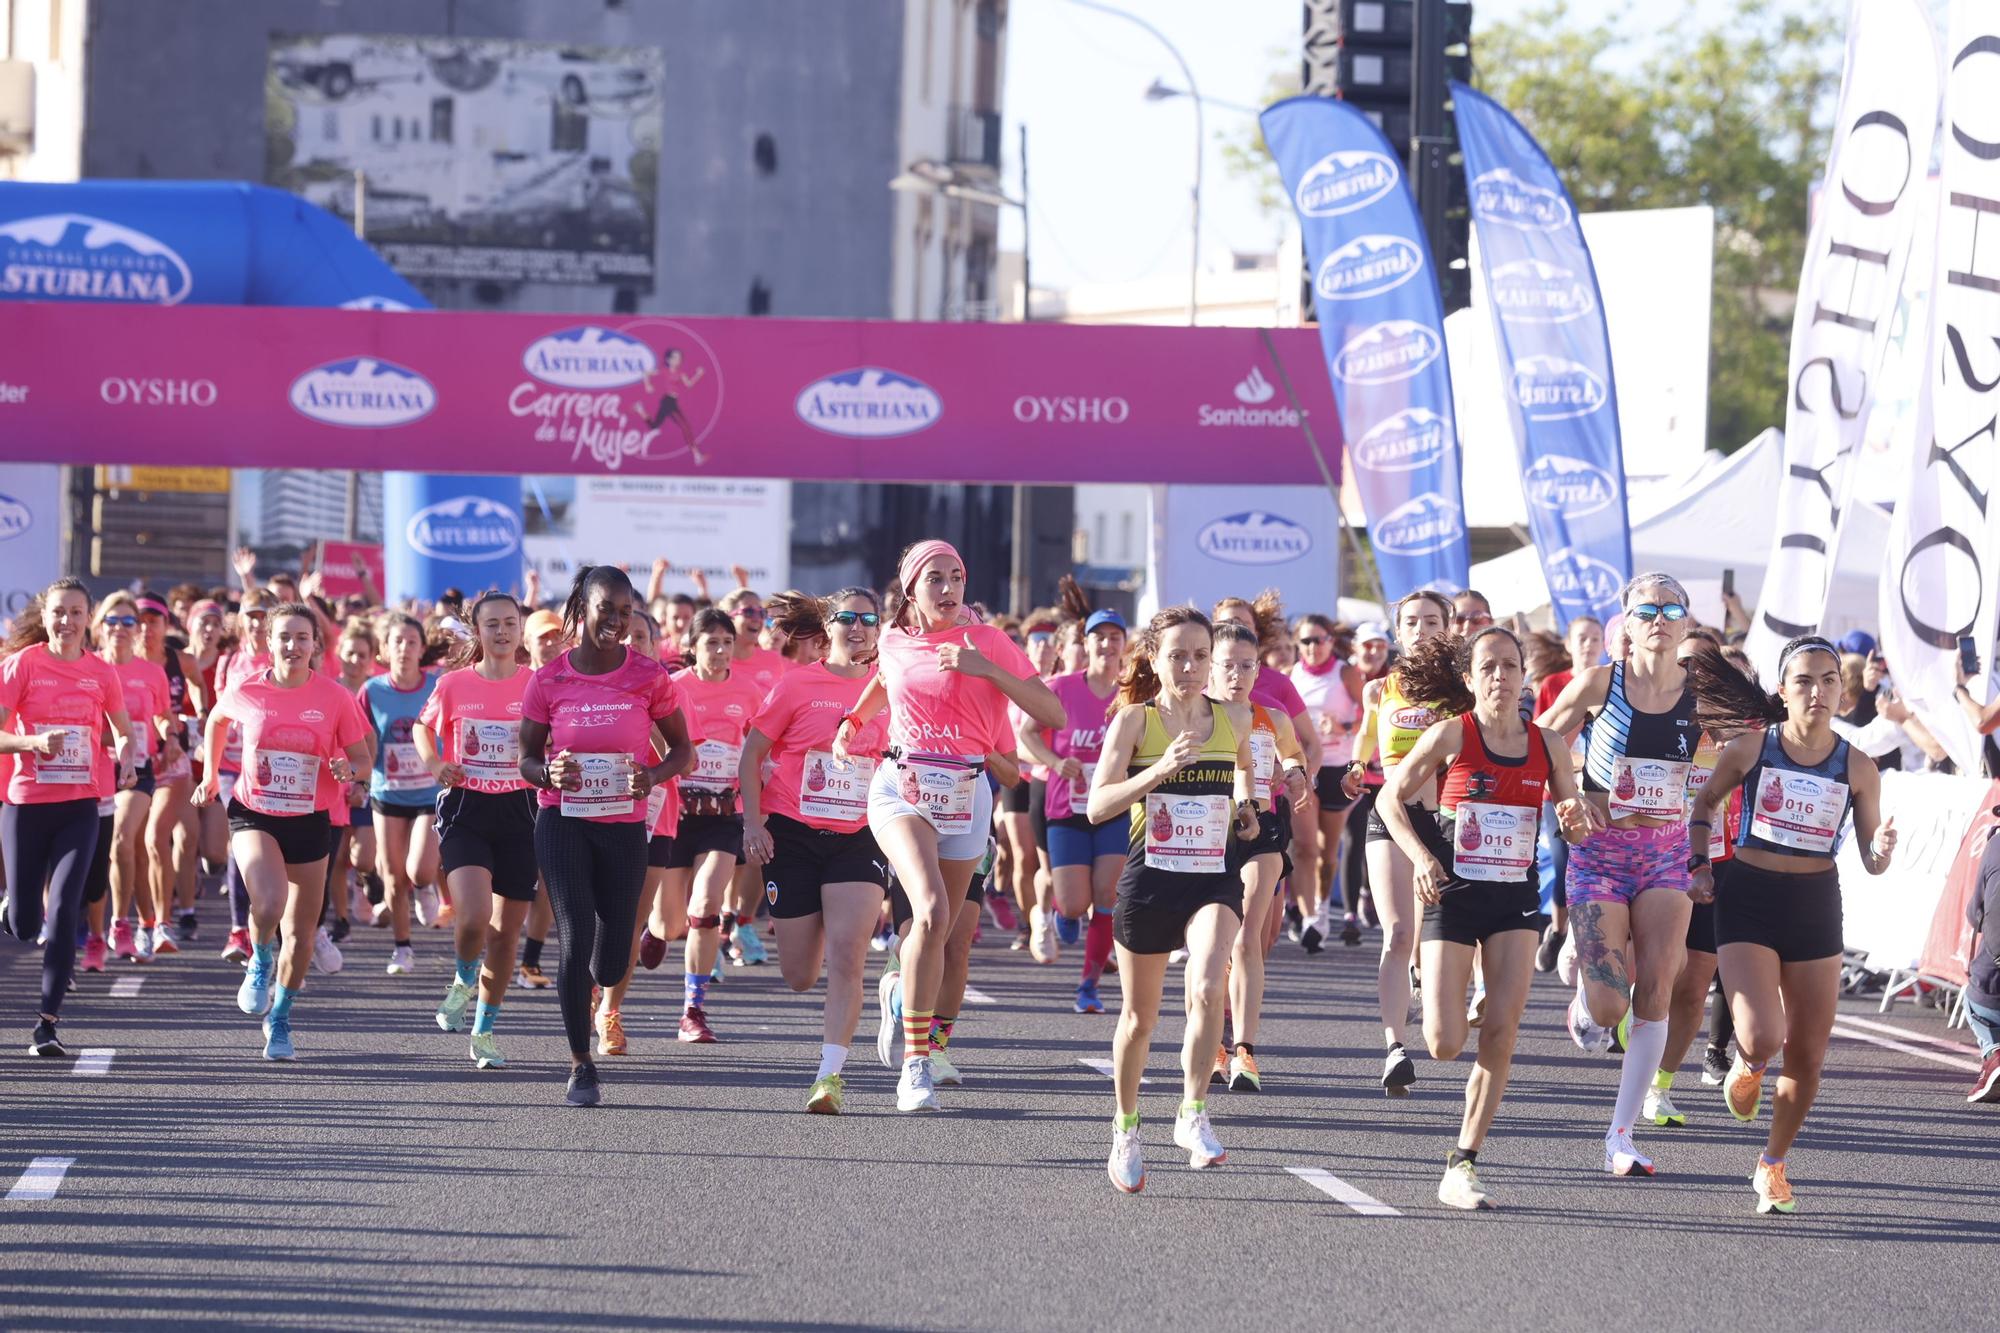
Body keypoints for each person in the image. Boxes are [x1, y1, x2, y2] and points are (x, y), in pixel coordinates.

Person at [832, 541, 1063, 1113]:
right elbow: (885, 678)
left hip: (966, 792)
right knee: (931, 910)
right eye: (934, 578)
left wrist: (986, 668)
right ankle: (915, 1067)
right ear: (912, 589)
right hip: (901, 786)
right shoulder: (892, 638)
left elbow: (1053, 715)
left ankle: (901, 1000)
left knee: (945, 932)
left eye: (956, 576)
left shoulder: (989, 641)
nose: (948, 588)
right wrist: (854, 720)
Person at [1377, 628, 1598, 1209]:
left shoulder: (1548, 744)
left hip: (1514, 899)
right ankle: (1444, 992)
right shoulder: (1452, 733)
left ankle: (1464, 1162)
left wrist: (1574, 816)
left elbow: (1571, 817)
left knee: (1502, 1027)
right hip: (1454, 892)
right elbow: (1387, 800)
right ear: (1471, 680)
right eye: (1489, 668)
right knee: (1445, 1044)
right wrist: (1421, 856)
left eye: (1510, 666)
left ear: (1524, 675)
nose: (1501, 676)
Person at [1686, 637, 1897, 1214]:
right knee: (1762, 1036)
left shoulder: (1857, 765)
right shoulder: (1752, 747)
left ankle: (1772, 1165)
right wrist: (1700, 865)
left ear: (1841, 690)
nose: (1818, 691)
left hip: (1815, 904)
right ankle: (1748, 1064)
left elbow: (1873, 861)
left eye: (1829, 680)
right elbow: (1703, 806)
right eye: (1804, 680)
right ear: (1783, 690)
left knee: (1807, 1055)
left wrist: (1881, 848)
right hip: (1749, 897)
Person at [1534, 573, 1702, 1178]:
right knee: (1610, 1011)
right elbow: (1543, 735)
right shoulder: (1603, 683)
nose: (1659, 618)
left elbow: (1744, 751)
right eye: (1646, 609)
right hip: (1600, 854)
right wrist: (1570, 794)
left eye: (1671, 608)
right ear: (1626, 626)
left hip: (1665, 854)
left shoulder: (1705, 694)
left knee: (1656, 988)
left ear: (1686, 623)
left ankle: (1621, 1136)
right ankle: (1586, 999)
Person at [1086, 606, 1257, 1192]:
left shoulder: (1235, 715)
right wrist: (1158, 769)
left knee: (1210, 985)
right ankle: (1126, 1127)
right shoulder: (1135, 721)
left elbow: (1241, 773)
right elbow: (1097, 804)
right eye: (1177, 656)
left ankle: (1191, 1112)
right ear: (1154, 660)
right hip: (1150, 878)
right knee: (1139, 1019)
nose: (1190, 667)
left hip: (1213, 875)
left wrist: (1250, 810)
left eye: (1200, 656)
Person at [519, 566, 694, 1107]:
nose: (617, 621)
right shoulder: (549, 679)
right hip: (563, 821)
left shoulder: (649, 676)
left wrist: (654, 775)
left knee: (613, 958)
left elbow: (682, 751)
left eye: (625, 610)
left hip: (623, 827)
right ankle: (580, 1064)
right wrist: (546, 773)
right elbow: (525, 757)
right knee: (572, 934)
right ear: (582, 609)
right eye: (606, 610)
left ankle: (603, 985)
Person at [196, 603, 371, 1060]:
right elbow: (216, 721)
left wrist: (346, 769)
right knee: (269, 902)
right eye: (284, 637)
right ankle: (258, 960)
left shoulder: (335, 697)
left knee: (301, 934)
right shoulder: (248, 688)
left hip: (312, 819)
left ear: (315, 644)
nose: (292, 646)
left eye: (301, 637)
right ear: (268, 642)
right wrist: (211, 775)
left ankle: (281, 1018)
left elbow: (363, 759)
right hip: (255, 812)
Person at [741, 589, 894, 1112]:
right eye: (846, 619)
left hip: (859, 835)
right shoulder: (797, 683)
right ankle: (816, 916)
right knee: (800, 974)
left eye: (867, 620)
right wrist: (753, 823)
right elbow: (752, 753)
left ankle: (829, 1077)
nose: (857, 627)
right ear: (827, 628)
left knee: (849, 955)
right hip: (794, 835)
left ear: (879, 629)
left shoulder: (892, 689)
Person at [0, 579, 139, 1056]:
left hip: (81, 804)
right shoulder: (23, 665)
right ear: (47, 614)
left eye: (76, 613)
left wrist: (125, 756)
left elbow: (123, 730)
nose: (67, 621)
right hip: (25, 803)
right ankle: (11, 910)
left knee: (63, 910)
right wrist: (31, 744)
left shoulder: (101, 673)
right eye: (59, 612)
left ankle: (47, 1023)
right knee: (24, 923)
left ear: (88, 617)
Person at [413, 591, 537, 1069]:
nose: (503, 631)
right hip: (467, 809)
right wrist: (435, 762)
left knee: (506, 934)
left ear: (520, 630)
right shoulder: (454, 684)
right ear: (478, 631)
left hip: (523, 812)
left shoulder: (537, 684)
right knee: (471, 917)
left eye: (510, 623)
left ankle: (484, 1030)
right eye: (492, 624)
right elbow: (424, 728)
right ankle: (464, 979)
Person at [1343, 589, 1455, 1096]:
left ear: (1447, 629)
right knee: (1395, 933)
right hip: (1390, 816)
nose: (1421, 630)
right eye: (1411, 622)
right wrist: (1354, 767)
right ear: (1398, 631)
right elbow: (1367, 737)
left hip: (1443, 820)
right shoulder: (1380, 689)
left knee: (1437, 940)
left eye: (1432, 621)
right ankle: (1395, 1048)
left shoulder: (1460, 690)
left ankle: (1432, 995)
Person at [1211, 621, 1310, 1090]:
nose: (1237, 674)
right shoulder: (1193, 716)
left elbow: (1293, 755)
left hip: (1265, 828)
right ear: (1209, 665)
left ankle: (1244, 1051)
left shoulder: (1273, 717)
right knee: (1212, 944)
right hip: (1207, 831)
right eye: (1227, 665)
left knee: (1248, 934)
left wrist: (1295, 775)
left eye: (1246, 666)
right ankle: (1212, 1037)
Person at [1014, 609, 1129, 1015]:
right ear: (1088, 643)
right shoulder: (1061, 687)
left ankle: (1088, 985)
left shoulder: (1131, 693)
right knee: (1074, 903)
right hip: (1065, 806)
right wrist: (1055, 760)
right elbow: (1026, 733)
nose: (1107, 644)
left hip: (1113, 809)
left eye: (1115, 636)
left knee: (1106, 895)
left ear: (1123, 644)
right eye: (1100, 637)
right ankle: (1064, 912)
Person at [659, 608, 762, 1044]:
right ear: (692, 647)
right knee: (669, 926)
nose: (720, 652)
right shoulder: (673, 690)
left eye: (726, 642)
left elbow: (761, 750)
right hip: (675, 815)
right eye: (711, 643)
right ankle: (653, 930)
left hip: (723, 816)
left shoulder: (751, 692)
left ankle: (693, 1010)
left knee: (705, 905)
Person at [361, 613, 443, 974]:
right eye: (397, 641)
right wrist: (358, 776)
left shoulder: (437, 686)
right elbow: (362, 740)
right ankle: (402, 948)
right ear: (384, 649)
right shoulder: (372, 691)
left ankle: (425, 886)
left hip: (429, 791)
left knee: (420, 868)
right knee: (393, 875)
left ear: (422, 649)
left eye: (412, 642)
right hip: (387, 791)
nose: (405, 649)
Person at [95, 592, 173, 963]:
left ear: (138, 629)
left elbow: (161, 716)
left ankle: (119, 924)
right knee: (130, 852)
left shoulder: (151, 672)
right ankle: (141, 923)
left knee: (123, 838)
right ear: (100, 627)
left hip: (137, 770)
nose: (120, 629)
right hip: (91, 768)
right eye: (113, 621)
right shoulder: (88, 667)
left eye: (128, 622)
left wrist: (169, 734)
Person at [1291, 612, 1364, 950]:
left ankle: (1321, 905)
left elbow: (1370, 716)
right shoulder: (1293, 675)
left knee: (1326, 849)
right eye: (1304, 641)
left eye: (1318, 640)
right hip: (1306, 768)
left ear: (1330, 642)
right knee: (1305, 847)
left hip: (1337, 768)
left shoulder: (1345, 672)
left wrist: (1343, 729)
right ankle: (1310, 917)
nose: (1311, 647)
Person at [138, 592, 202, 956]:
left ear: (166, 625)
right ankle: (137, 920)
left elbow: (198, 683)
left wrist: (200, 716)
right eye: (140, 621)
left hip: (173, 757)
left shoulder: (179, 661)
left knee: (156, 836)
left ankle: (163, 923)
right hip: (133, 759)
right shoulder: (121, 664)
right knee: (128, 846)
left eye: (153, 621)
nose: (147, 629)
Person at [1965, 819, 2000, 1103]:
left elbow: (1974, 912)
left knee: (1974, 998)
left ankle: (1994, 1054)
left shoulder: (1995, 845)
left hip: (1993, 979)